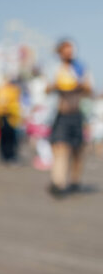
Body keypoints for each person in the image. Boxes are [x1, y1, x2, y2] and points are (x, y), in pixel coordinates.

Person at [46, 39, 92, 198]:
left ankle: (75, 180)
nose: (69, 52)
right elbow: (46, 88)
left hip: (77, 113)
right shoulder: (54, 68)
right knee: (60, 147)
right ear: (60, 52)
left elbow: (89, 89)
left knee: (78, 149)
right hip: (61, 113)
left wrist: (79, 85)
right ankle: (58, 182)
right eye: (66, 49)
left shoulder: (80, 68)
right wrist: (56, 85)